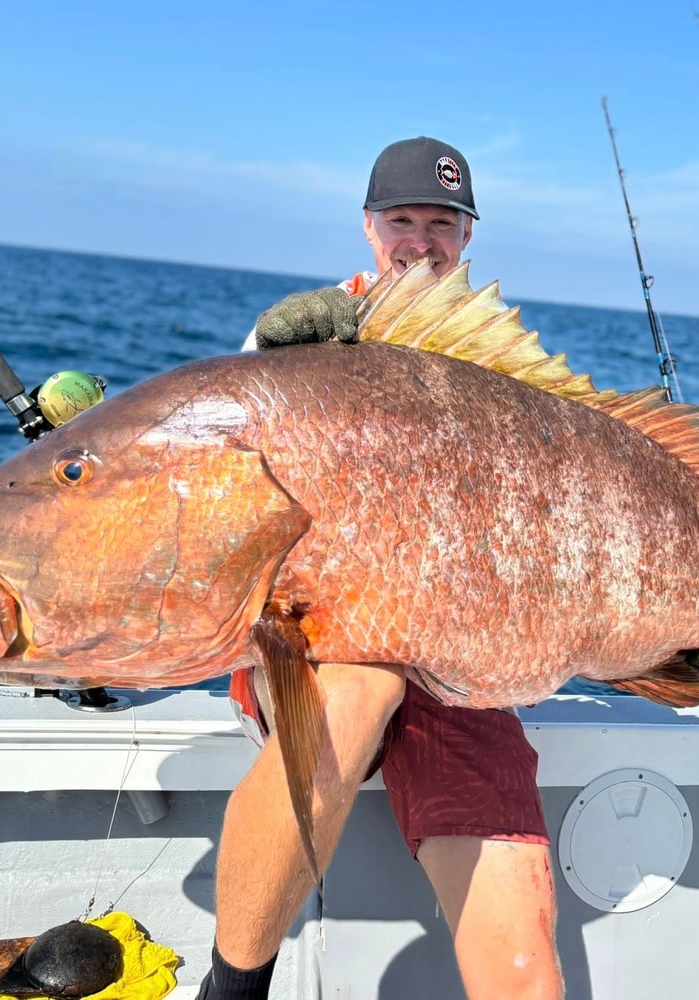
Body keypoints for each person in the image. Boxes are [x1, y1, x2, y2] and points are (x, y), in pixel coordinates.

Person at [199, 137, 565, 1000]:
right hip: (320, 638)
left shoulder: (499, 363)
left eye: (442, 223)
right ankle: (232, 989)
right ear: (369, 226)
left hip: (457, 663)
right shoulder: (305, 330)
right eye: (402, 220)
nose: (421, 241)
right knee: (364, 687)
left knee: (525, 962)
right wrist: (276, 357)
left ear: (467, 238)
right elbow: (227, 464)